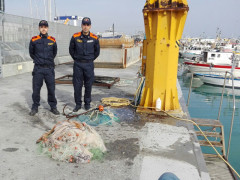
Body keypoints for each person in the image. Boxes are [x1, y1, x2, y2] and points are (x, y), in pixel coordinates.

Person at [29, 20, 60, 116]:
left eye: (45, 27)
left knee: (51, 89)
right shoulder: (34, 40)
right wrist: (39, 61)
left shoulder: (52, 40)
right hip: (38, 69)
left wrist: (48, 61)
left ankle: (53, 107)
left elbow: (54, 53)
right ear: (39, 28)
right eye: (41, 27)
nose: (43, 28)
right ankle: (35, 107)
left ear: (47, 28)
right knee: (36, 89)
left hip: (49, 69)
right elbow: (31, 53)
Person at [69, 17, 100, 112]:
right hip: (78, 64)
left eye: (87, 25)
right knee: (77, 85)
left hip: (89, 65)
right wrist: (77, 59)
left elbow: (97, 52)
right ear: (81, 25)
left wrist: (89, 59)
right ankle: (78, 104)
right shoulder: (75, 36)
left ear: (90, 26)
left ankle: (87, 104)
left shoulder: (94, 38)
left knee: (88, 84)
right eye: (84, 25)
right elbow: (71, 50)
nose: (85, 27)